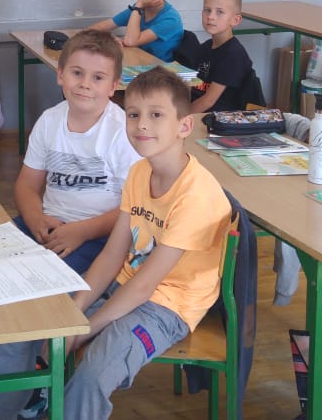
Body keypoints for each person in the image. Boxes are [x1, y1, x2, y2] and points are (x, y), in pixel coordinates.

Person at [0, 30, 141, 420]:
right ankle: (25, 375)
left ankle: (24, 390)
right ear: (60, 75)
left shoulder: (121, 132)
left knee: (24, 310)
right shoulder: (50, 121)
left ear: (114, 86)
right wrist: (36, 219)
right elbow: (26, 185)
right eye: (77, 73)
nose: (85, 84)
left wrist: (81, 231)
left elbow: (132, 209)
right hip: (45, 226)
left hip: (97, 237)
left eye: (97, 77)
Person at [61, 66, 230, 418]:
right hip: (128, 285)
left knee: (94, 371)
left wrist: (86, 329)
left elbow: (146, 287)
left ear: (184, 126)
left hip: (168, 307)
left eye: (156, 115)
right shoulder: (140, 172)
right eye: (134, 114)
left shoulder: (196, 196)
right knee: (49, 334)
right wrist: (75, 312)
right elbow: (112, 255)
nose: (141, 125)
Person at [190, 0, 253, 113]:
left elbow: (208, 101)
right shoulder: (206, 46)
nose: (210, 17)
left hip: (217, 118)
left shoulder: (233, 55)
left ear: (235, 20)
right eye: (207, 10)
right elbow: (191, 84)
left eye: (219, 12)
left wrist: (178, 118)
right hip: (199, 111)